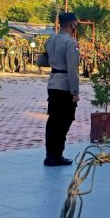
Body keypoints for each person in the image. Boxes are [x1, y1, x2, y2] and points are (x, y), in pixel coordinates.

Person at [43, 12, 80, 166]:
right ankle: (56, 155)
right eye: (75, 24)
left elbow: (41, 60)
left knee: (53, 121)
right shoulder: (70, 43)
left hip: (52, 83)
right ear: (72, 24)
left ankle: (50, 154)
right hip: (65, 86)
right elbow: (73, 69)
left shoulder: (50, 40)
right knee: (64, 122)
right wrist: (75, 92)